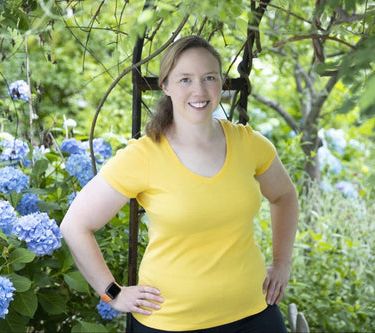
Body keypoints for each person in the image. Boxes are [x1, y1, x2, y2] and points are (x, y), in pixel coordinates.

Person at [60, 35, 299, 332]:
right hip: (170, 323)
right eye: (185, 79)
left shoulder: (249, 144)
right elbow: (75, 225)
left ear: (221, 83)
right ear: (165, 86)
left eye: (209, 77)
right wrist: (113, 293)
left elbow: (285, 196)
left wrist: (282, 262)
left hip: (254, 315)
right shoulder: (144, 155)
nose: (199, 90)